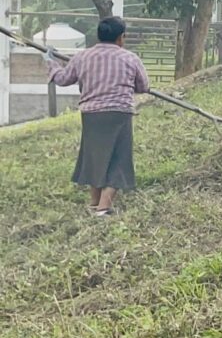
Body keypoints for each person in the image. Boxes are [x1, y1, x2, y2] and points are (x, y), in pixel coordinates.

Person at [46, 17, 150, 216]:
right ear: (121, 37)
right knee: (119, 160)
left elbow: (62, 79)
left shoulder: (82, 57)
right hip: (119, 114)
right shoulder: (130, 58)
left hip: (91, 115)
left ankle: (94, 204)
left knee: (95, 158)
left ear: (99, 35)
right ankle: (103, 208)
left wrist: (51, 62)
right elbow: (143, 86)